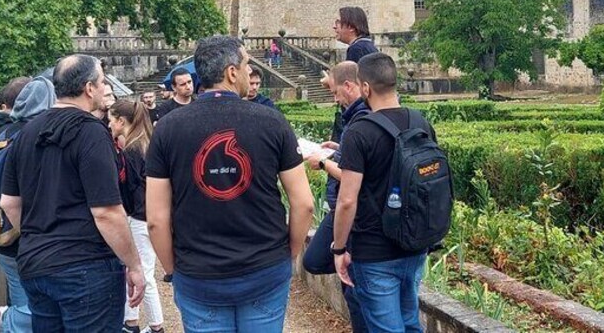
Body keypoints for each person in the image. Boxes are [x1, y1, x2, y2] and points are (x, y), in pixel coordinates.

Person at [146, 35, 314, 333]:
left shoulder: (168, 128)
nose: (250, 72)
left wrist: (173, 270)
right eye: (247, 64)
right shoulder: (272, 121)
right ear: (232, 72)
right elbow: (304, 204)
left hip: (199, 273)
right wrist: (286, 255)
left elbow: (156, 220)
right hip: (264, 267)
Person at [0, 54, 145, 332]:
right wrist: (134, 265)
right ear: (89, 88)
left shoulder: (26, 133)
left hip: (36, 264)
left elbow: (9, 203)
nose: (105, 87)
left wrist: (39, 236)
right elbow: (106, 212)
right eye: (102, 82)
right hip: (85, 267)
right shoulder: (92, 132)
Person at [333, 53, 434, 332]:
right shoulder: (420, 122)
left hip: (375, 250)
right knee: (410, 323)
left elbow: (347, 200)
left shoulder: (360, 131)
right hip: (414, 242)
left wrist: (339, 248)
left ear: (365, 88)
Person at [0, 76, 57, 333]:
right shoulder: (33, 137)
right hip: (20, 239)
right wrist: (33, 234)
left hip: (2, 237)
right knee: (29, 308)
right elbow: (12, 201)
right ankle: (3, 324)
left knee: (27, 302)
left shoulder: (2, 134)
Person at [302, 62, 369, 332]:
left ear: (349, 86)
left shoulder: (361, 119)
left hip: (351, 210)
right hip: (344, 210)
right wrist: (339, 150)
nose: (335, 99)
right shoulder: (356, 117)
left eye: (335, 92)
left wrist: (323, 163)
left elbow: (354, 176)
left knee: (355, 291)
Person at [109, 99, 166, 333]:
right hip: (145, 214)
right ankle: (131, 321)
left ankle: (156, 326)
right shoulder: (144, 144)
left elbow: (132, 188)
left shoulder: (132, 150)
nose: (109, 125)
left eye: (111, 120)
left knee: (144, 273)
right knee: (136, 270)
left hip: (140, 216)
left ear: (121, 121)